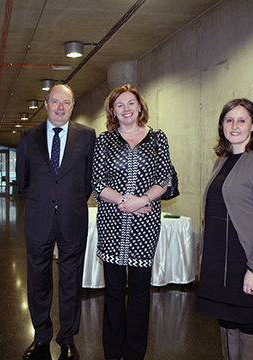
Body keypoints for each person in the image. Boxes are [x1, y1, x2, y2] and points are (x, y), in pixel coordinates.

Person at [197, 99, 253, 360]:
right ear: (221, 125)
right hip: (217, 256)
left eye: (242, 120)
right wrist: (204, 250)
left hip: (244, 258)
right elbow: (211, 211)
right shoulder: (222, 160)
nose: (234, 126)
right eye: (228, 120)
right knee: (225, 320)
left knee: (246, 320)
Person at [91, 84, 172, 360]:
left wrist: (143, 200)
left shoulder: (158, 138)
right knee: (114, 292)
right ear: (113, 111)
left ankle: (135, 352)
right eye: (119, 105)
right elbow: (98, 183)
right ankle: (112, 352)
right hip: (113, 223)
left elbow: (164, 179)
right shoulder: (104, 140)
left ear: (140, 106)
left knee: (139, 292)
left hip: (145, 225)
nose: (126, 109)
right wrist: (128, 202)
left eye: (130, 103)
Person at [16, 84, 96, 360]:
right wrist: (45, 201)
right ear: (46, 104)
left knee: (70, 281)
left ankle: (67, 339)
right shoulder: (28, 137)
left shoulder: (87, 136)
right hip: (39, 219)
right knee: (38, 280)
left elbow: (88, 180)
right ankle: (40, 339)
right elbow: (23, 181)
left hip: (72, 217)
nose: (61, 107)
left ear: (73, 106)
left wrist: (68, 200)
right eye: (55, 102)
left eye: (67, 102)